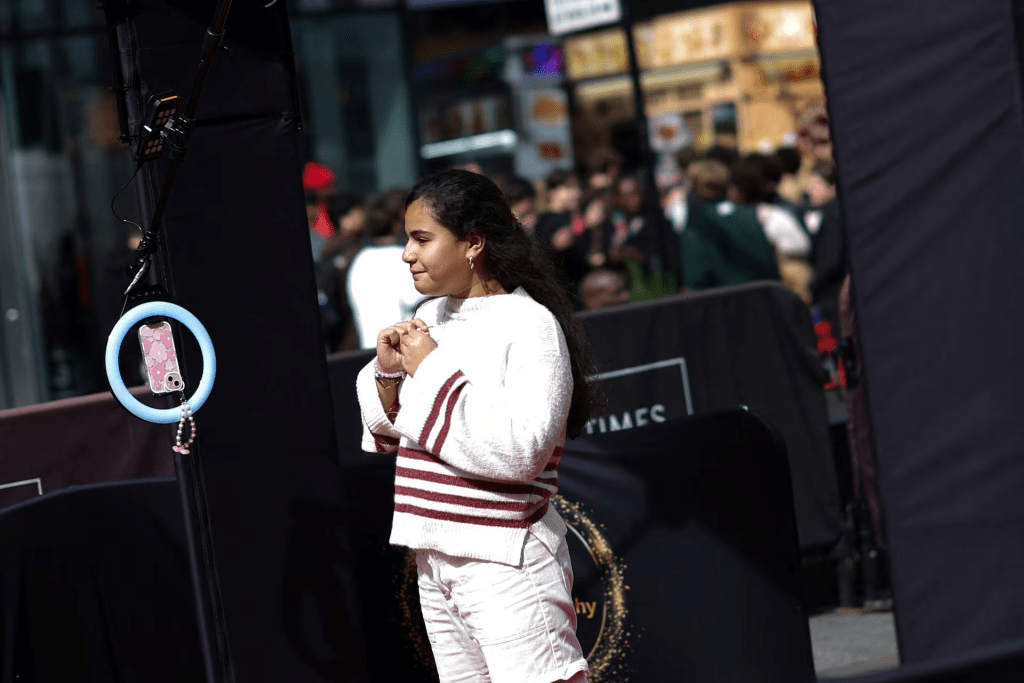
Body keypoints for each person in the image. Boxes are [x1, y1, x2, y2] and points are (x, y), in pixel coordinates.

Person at [355, 169, 598, 683]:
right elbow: (391, 430)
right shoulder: (430, 316)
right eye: (407, 239)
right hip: (436, 558)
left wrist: (429, 368)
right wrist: (387, 375)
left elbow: (521, 451)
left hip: (507, 559)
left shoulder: (530, 325)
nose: (406, 254)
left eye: (422, 239)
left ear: (473, 244)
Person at [346, 188, 423, 349]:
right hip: (401, 352)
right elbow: (416, 297)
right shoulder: (400, 257)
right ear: (399, 222)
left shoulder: (360, 258)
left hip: (369, 351)